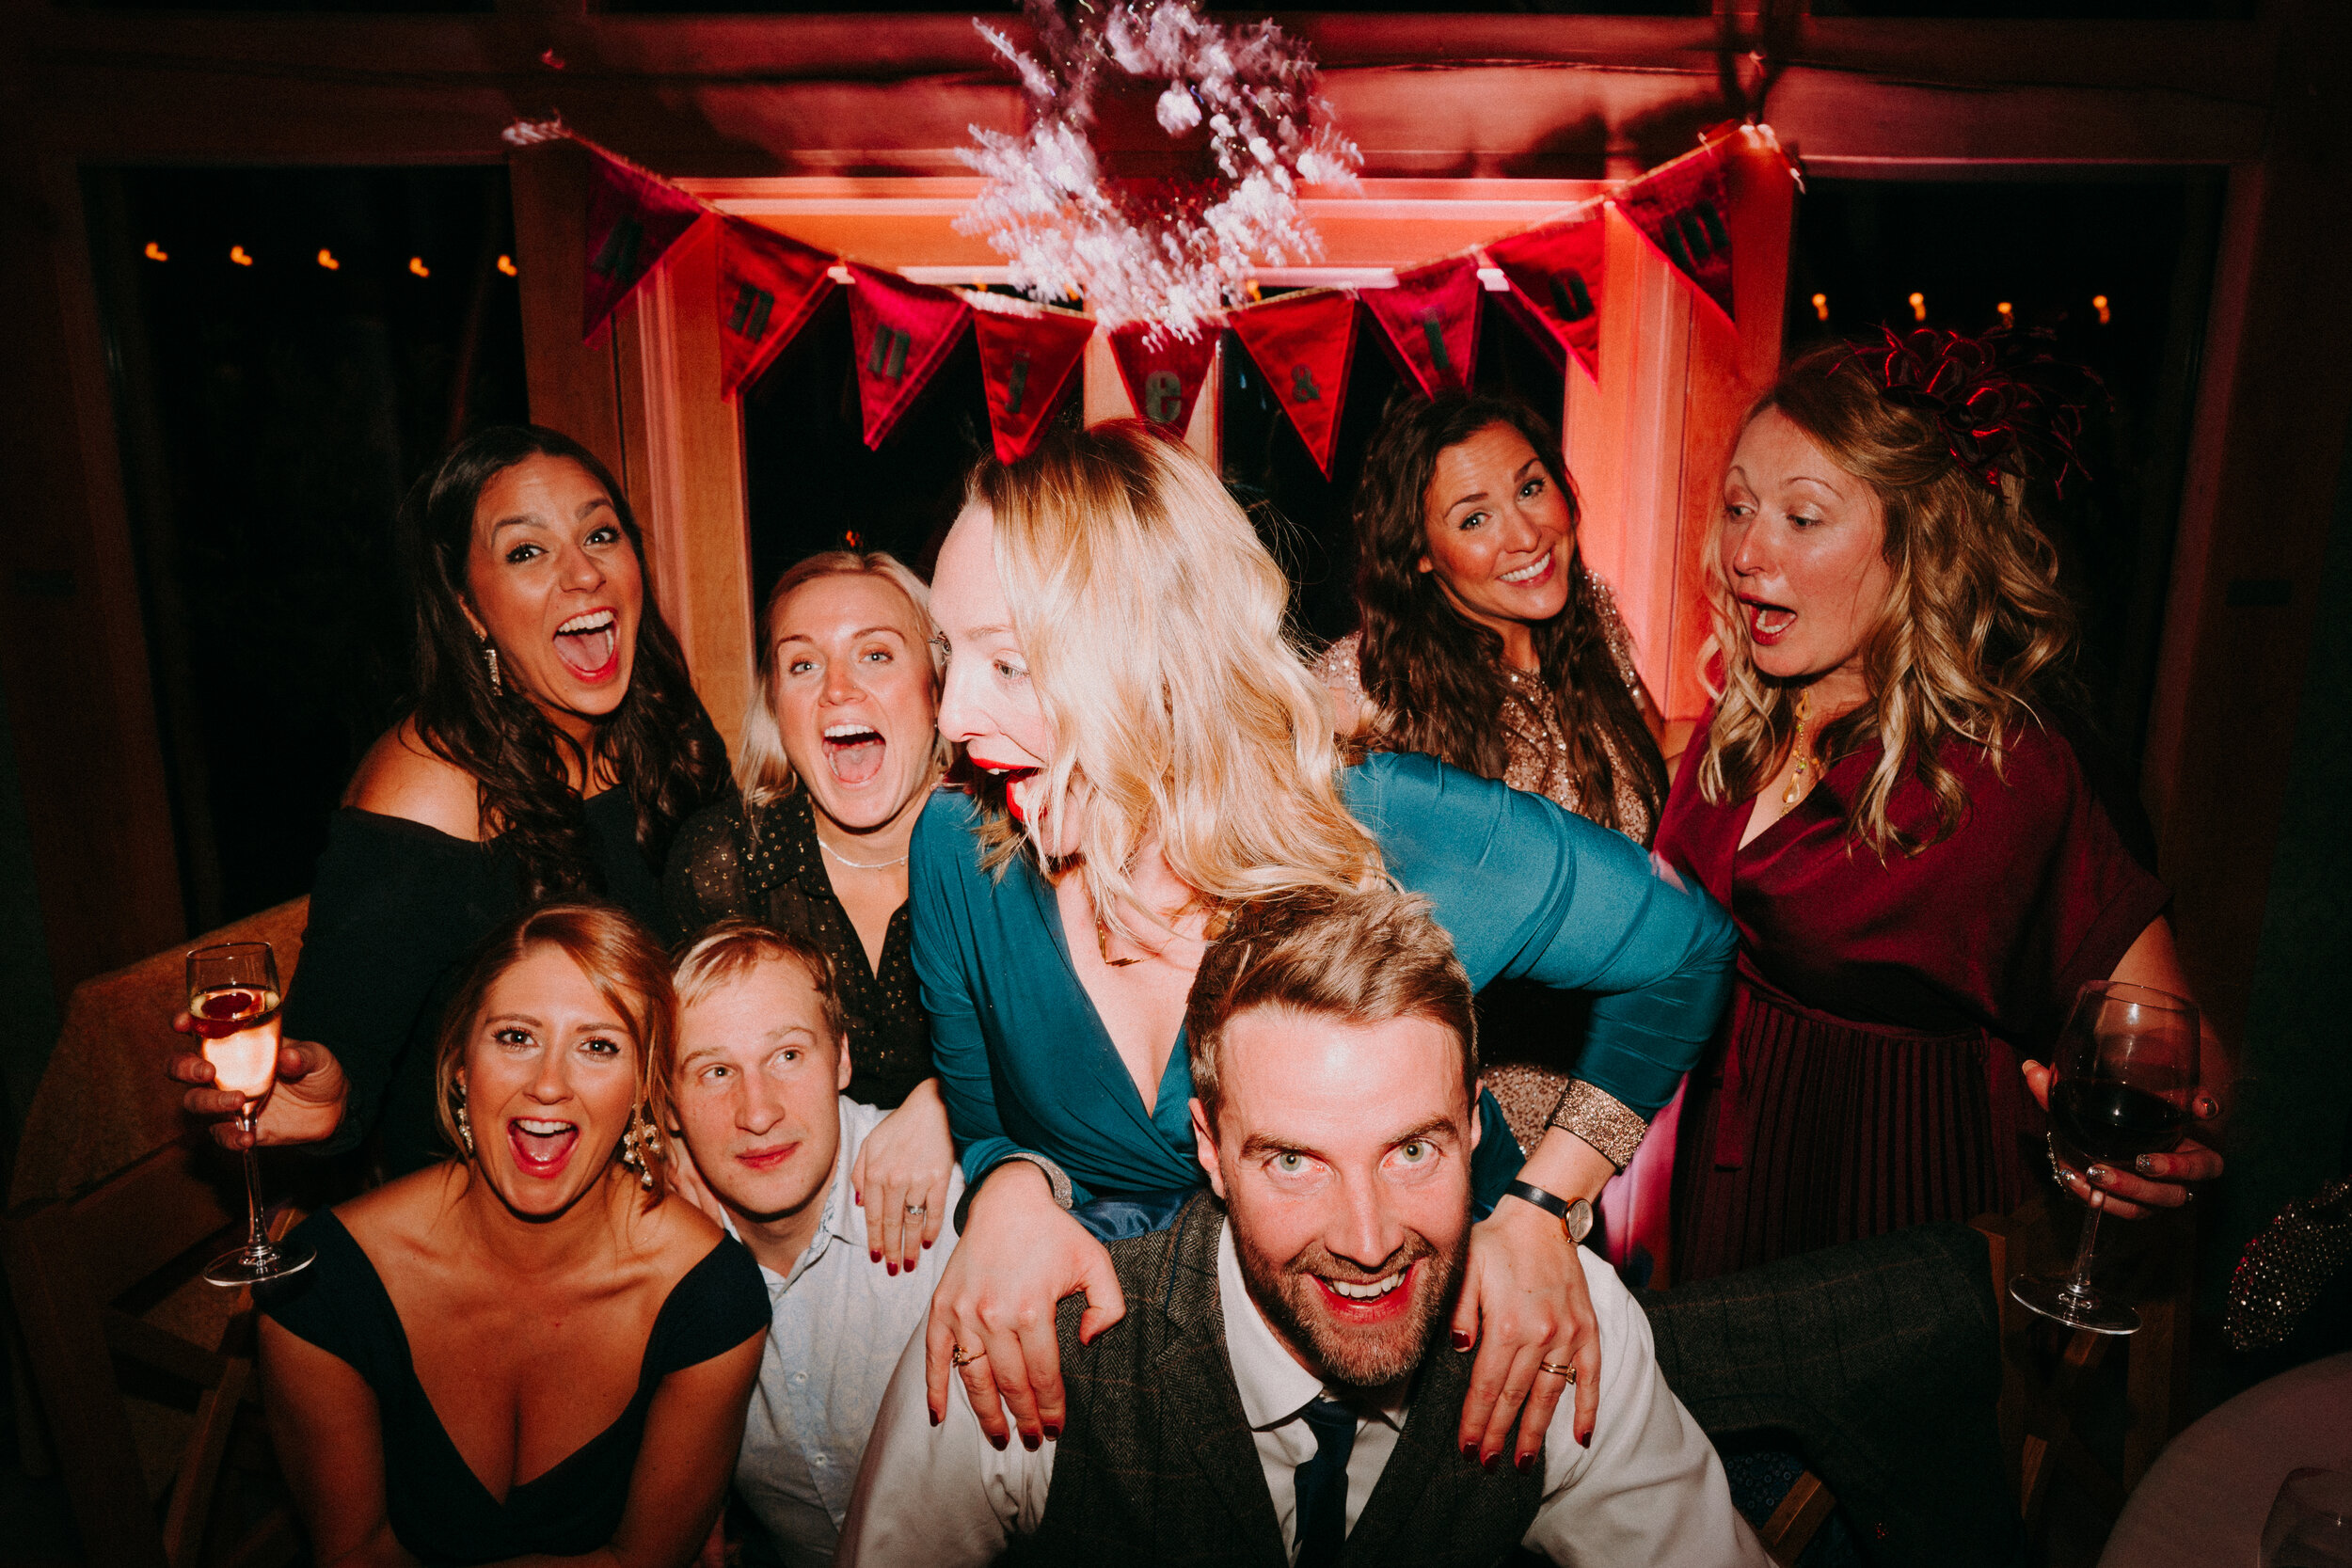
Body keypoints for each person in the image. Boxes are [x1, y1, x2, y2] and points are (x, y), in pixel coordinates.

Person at [913, 421, 1738, 1475]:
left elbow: (1686, 950)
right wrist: (1008, 1195)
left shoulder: (1380, 826)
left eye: (1009, 664)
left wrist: (1542, 1206)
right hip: (1144, 1400)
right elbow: (986, 1117)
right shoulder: (954, 848)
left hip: (1427, 1364)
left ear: (1162, 660)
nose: (953, 714)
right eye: (949, 655)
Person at [837, 886, 1764, 1568]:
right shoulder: (1027, 1338)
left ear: (1475, 1126)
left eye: (1412, 1151)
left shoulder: (1556, 1330)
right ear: (1208, 1145)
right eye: (1292, 1160)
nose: (1366, 1239)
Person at [1656, 330, 2226, 1283]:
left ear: (1914, 541)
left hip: (1892, 1224)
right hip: (1725, 1198)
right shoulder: (1738, 718)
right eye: (1738, 506)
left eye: (1802, 517)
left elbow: (2180, 1047)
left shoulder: (2005, 770)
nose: (1747, 550)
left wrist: (2163, 1150)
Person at [172, 426, 730, 1178]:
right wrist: (326, 1102)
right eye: (527, 551)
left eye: (600, 534)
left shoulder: (667, 723)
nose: (583, 575)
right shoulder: (426, 789)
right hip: (497, 1217)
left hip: (673, 1167)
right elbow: (338, 1059)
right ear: (470, 608)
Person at [258, 904, 769, 1567]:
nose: (548, 1084)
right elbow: (353, 1553)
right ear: (460, 1063)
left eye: (598, 1045)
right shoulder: (321, 1287)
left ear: (644, 1089)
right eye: (516, 1037)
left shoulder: (710, 1301)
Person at [1315, 390, 1676, 1161]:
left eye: (1531, 486)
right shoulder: (1366, 686)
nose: (1524, 533)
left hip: (1621, 1092)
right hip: (1479, 1123)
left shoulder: (1594, 623)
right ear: (1419, 550)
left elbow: (1657, 761)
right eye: (1474, 518)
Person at [664, 550, 957, 1271]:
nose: (837, 690)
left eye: (876, 654)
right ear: (776, 706)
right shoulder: (725, 860)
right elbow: (668, 1057)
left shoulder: (1008, 851)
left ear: (938, 686)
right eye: (802, 666)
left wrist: (948, 1106)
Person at [667, 920, 962, 1566]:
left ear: (844, 1059)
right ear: (669, 1106)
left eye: (789, 1055)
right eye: (716, 1070)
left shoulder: (952, 1197)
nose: (759, 1109)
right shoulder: (655, 1254)